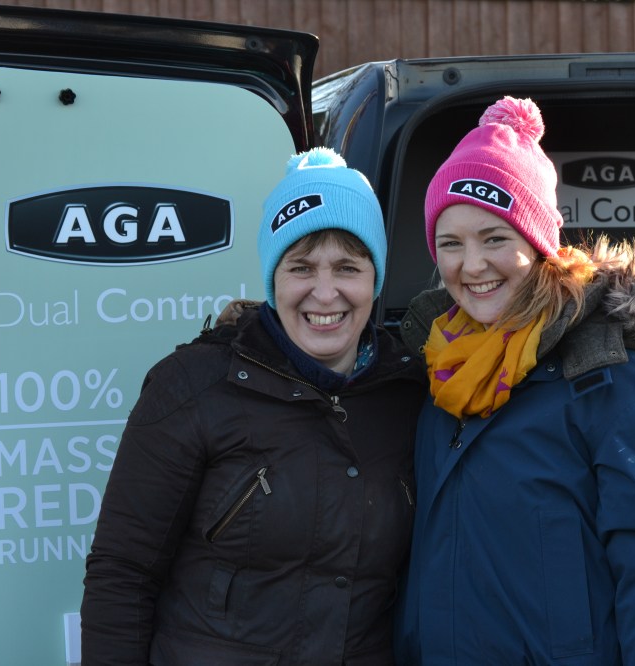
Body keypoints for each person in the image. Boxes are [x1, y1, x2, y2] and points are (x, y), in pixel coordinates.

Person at [81, 148, 426, 665]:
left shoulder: (408, 395)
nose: (325, 292)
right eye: (301, 267)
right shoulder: (194, 386)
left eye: (348, 267)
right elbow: (123, 574)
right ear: (272, 279)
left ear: (374, 281)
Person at [394, 97, 635, 665]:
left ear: (537, 244)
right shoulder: (438, 374)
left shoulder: (617, 391)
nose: (472, 265)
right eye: (450, 244)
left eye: (494, 238)